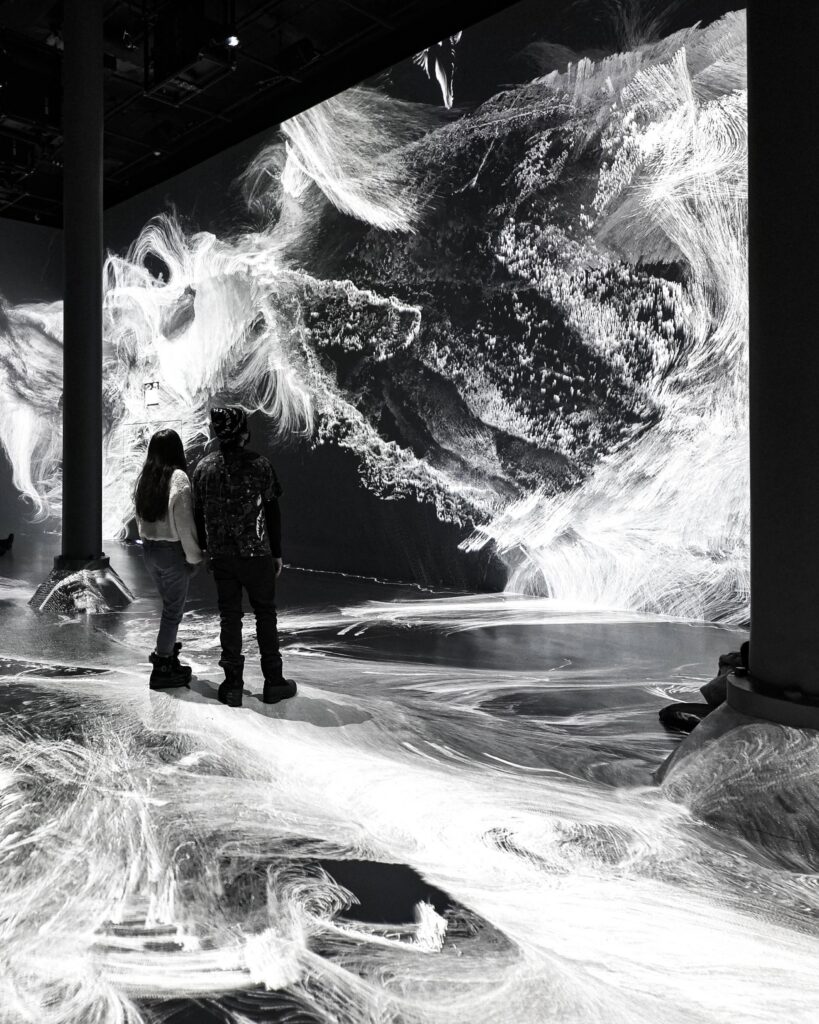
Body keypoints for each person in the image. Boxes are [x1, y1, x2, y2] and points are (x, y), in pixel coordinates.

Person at [192, 406, 296, 708]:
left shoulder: (203, 468)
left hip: (222, 557)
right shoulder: (260, 464)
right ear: (243, 433)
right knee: (265, 614)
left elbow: (198, 514)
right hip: (256, 554)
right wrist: (277, 552)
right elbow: (273, 511)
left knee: (230, 617)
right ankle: (273, 681)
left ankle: (232, 684)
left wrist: (206, 548)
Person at [134, 428, 204, 689]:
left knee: (168, 608)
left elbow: (139, 519)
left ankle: (167, 655)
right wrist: (194, 557)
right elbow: (184, 524)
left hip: (150, 551)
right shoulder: (178, 479)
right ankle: (163, 665)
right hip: (171, 553)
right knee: (173, 612)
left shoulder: (145, 478)